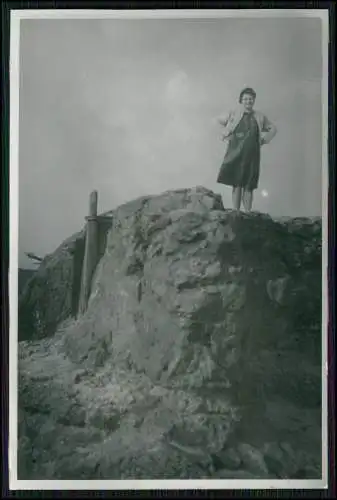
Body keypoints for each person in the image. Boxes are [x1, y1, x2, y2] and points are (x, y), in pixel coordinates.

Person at [216, 87, 277, 212]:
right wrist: (226, 133)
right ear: (241, 101)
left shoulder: (260, 116)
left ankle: (248, 213)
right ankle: (236, 212)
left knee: (249, 184)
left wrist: (264, 140)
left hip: (252, 154)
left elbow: (273, 128)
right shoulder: (233, 113)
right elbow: (218, 120)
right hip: (235, 152)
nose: (248, 101)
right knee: (237, 182)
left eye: (250, 99)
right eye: (245, 99)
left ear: (254, 100)